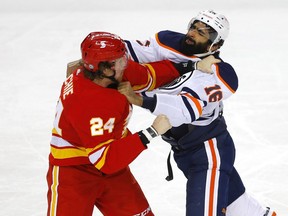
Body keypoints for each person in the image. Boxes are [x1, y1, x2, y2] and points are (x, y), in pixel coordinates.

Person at [119, 10, 277, 216]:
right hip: (185, 152)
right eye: (194, 27)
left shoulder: (221, 75)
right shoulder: (167, 42)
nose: (193, 33)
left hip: (208, 152)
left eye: (203, 32)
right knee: (242, 209)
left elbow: (182, 110)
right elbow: (123, 53)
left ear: (216, 45)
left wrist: (139, 99)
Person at [46, 31, 174, 216]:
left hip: (111, 165)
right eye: (120, 60)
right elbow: (104, 160)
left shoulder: (107, 74)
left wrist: (191, 64)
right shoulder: (87, 102)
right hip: (73, 172)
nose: (126, 63)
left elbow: (150, 76)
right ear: (105, 69)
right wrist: (151, 132)